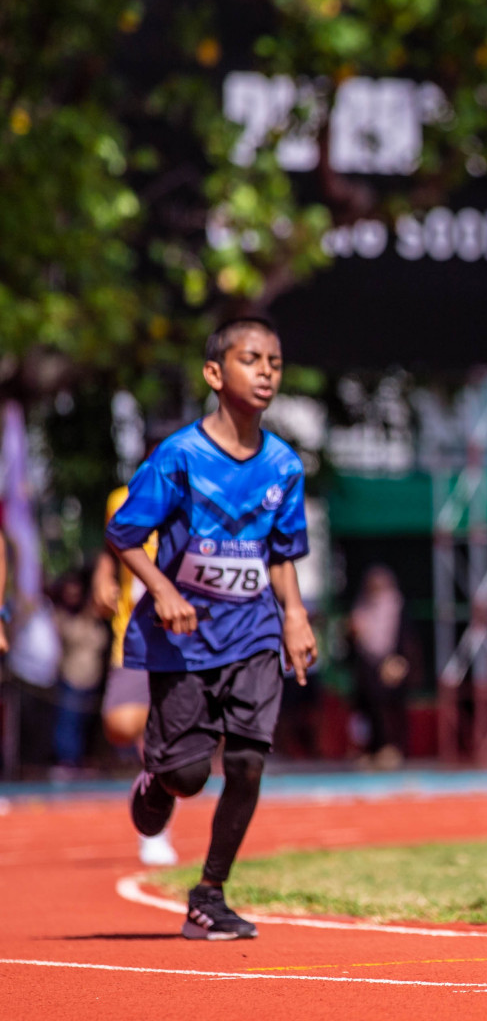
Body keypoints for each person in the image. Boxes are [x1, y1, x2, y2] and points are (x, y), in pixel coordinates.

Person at [106, 318, 315, 940]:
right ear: (216, 373)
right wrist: (164, 589)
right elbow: (123, 534)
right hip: (184, 638)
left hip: (253, 633)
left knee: (248, 761)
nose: (267, 371)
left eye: (275, 361)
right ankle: (159, 776)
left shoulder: (283, 463)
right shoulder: (179, 457)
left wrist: (296, 617)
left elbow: (282, 553)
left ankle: (209, 894)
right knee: (190, 776)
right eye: (252, 359)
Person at [92, 479, 180, 865]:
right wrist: (103, 577)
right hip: (135, 632)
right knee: (122, 723)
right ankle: (154, 766)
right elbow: (111, 548)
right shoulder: (121, 499)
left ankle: (156, 828)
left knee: (174, 741)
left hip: (187, 636)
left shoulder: (204, 491)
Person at [347, 565, 414, 768]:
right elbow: (356, 642)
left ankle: (391, 749)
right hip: (368, 666)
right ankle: (372, 749)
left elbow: (405, 637)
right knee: (367, 708)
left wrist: (397, 661)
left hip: (392, 663)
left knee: (390, 706)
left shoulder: (396, 605)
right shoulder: (362, 606)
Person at [50, 572, 108, 774]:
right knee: (68, 723)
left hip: (93, 679)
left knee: (86, 723)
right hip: (71, 677)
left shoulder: (92, 617)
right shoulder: (60, 617)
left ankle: (82, 760)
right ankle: (66, 762)